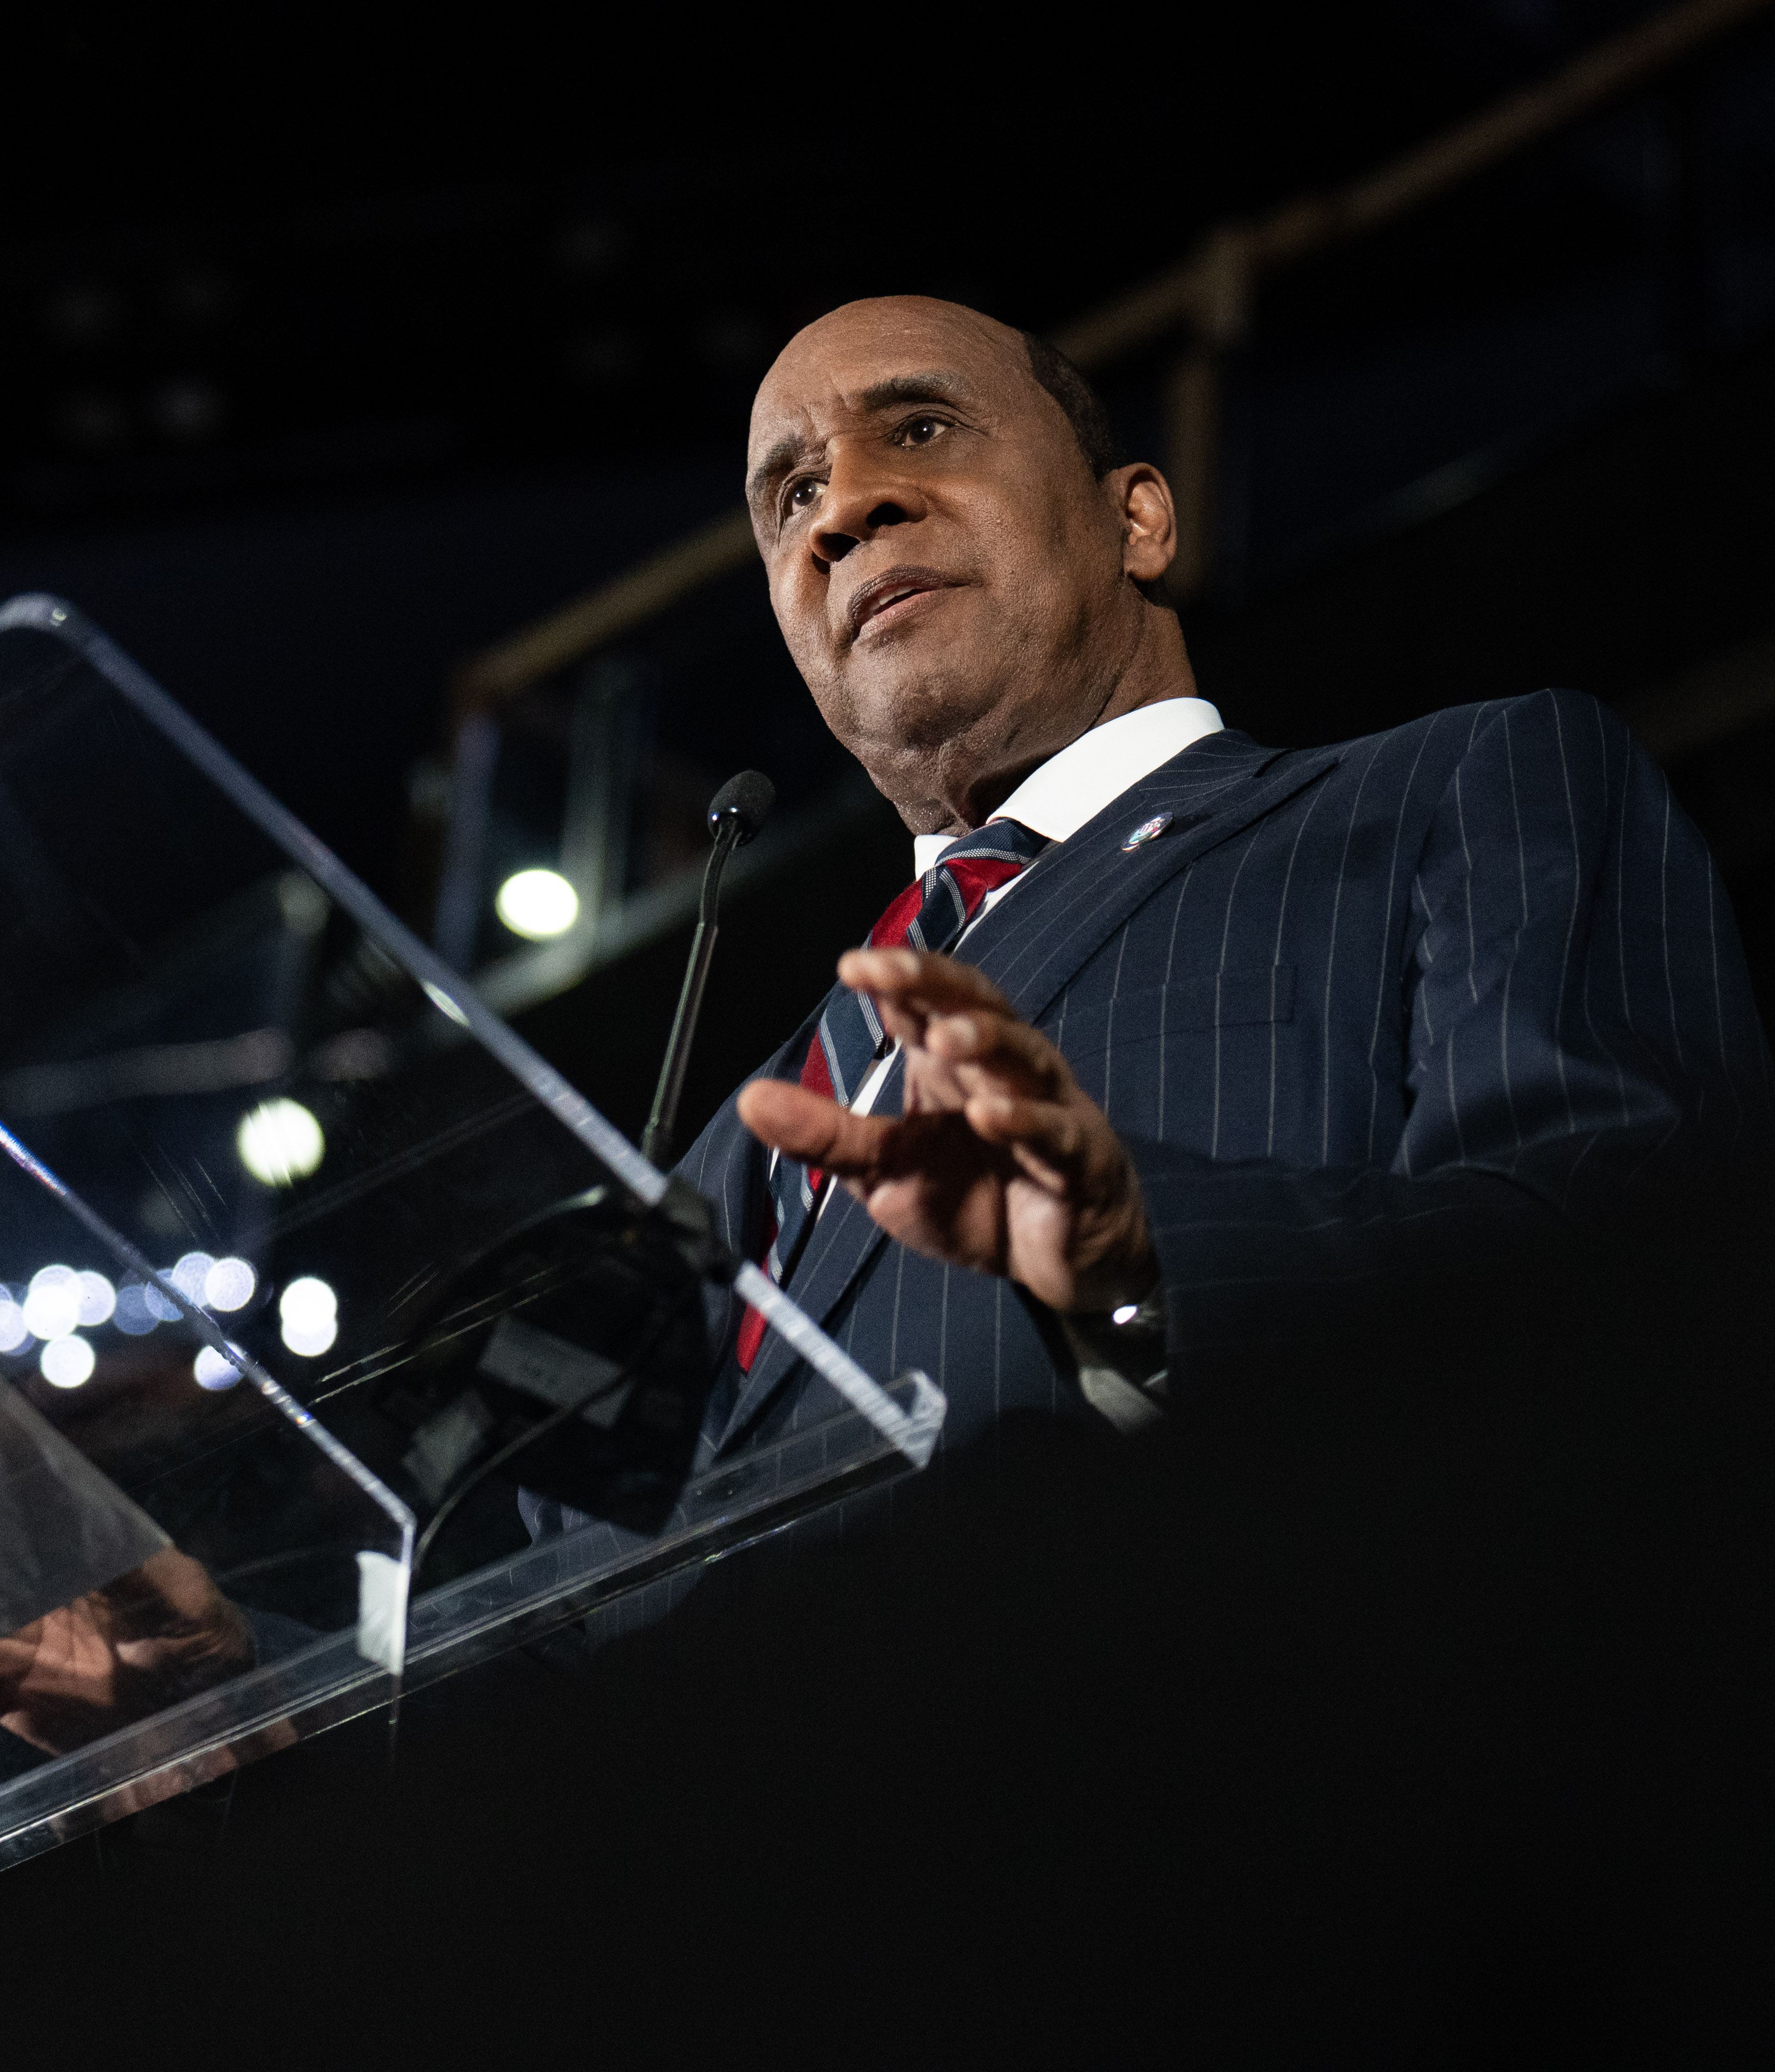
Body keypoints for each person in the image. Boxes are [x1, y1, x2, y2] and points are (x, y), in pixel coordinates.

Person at [669, 294, 1769, 1466]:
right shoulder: (730, 1145)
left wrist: (1143, 1261)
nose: (842, 507)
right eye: (792, 495)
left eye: (924, 428)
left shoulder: (1457, 793)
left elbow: (1627, 1260)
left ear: (1137, 520)